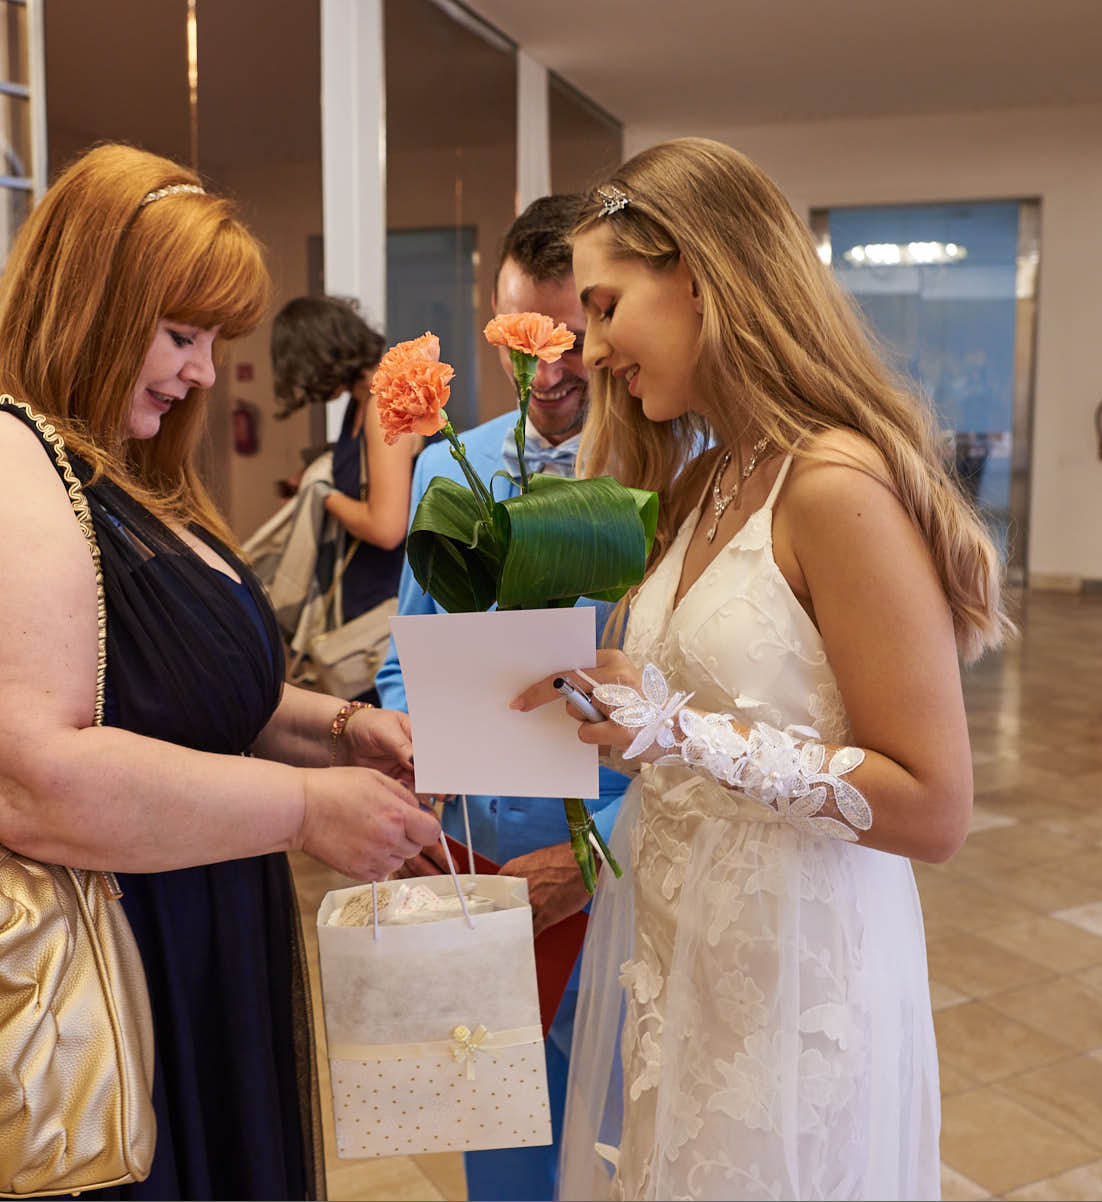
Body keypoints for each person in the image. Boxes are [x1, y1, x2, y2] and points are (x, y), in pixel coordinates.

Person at [0, 144, 439, 1201]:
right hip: (54, 996)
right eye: (181, 334)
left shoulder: (102, 466)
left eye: (213, 340)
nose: (202, 370)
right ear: (87, 304)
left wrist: (334, 728)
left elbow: (166, 693)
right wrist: (303, 807)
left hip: (165, 953)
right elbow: (22, 774)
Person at [516, 138, 1009, 1200]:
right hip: (687, 975)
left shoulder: (835, 482)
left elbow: (935, 805)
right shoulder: (704, 478)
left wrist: (674, 728)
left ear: (695, 271)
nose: (592, 348)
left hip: (797, 988)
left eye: (606, 305)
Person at [374, 194, 633, 1202]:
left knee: (631, 1136)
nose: (551, 367)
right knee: (506, 1153)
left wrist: (595, 852)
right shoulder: (454, 462)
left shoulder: (677, 471)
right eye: (527, 332)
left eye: (572, 336)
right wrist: (418, 754)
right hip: (487, 868)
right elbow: (411, 656)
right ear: (495, 311)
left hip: (617, 864)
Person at [271, 296, 423, 693]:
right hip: (366, 599)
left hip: (387, 602)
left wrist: (321, 495)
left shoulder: (381, 406)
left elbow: (387, 526)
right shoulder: (359, 404)